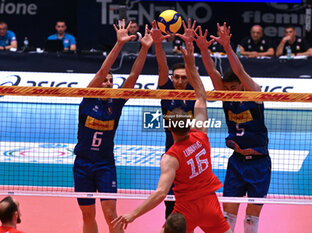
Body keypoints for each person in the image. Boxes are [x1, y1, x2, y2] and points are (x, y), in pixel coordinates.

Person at [112, 38, 232, 233]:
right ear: (189, 122)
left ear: (168, 125)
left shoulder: (170, 158)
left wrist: (132, 214)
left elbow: (160, 192)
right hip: (209, 202)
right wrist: (190, 60)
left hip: (186, 205)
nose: (179, 80)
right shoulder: (201, 135)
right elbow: (202, 95)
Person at [73, 19, 153, 233]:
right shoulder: (88, 100)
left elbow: (134, 76)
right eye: (105, 81)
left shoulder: (116, 103)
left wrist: (144, 49)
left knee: (111, 215)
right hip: (82, 164)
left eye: (111, 81)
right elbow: (101, 71)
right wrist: (119, 44)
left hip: (105, 165)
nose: (107, 83)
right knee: (87, 214)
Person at [195, 23, 270, 233]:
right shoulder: (226, 96)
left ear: (242, 85)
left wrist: (227, 47)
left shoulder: (253, 93)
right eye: (227, 89)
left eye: (233, 88)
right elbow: (211, 70)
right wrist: (203, 49)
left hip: (259, 164)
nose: (229, 92)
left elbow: (239, 70)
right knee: (228, 215)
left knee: (251, 219)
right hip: (236, 162)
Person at [149, 19, 195, 219]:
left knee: (191, 205)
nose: (179, 81)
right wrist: (158, 44)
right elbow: (161, 65)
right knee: (170, 204)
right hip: (171, 155)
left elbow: (193, 69)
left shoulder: (194, 92)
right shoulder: (166, 91)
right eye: (176, 77)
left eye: (183, 77)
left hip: (192, 155)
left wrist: (191, 47)